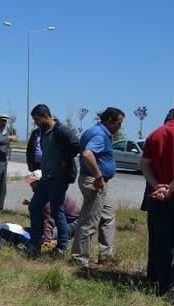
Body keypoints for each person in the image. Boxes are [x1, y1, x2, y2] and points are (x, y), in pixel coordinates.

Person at [142, 95, 174, 299]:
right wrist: (171, 188)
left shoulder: (155, 134)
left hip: (158, 198)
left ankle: (160, 285)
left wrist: (157, 186)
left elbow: (144, 164)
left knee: (162, 244)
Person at [71, 107, 124, 267]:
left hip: (98, 182)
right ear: (109, 120)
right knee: (89, 220)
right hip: (94, 181)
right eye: (119, 123)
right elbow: (87, 154)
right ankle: (80, 258)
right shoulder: (100, 134)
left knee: (108, 217)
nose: (120, 127)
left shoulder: (94, 131)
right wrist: (98, 176)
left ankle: (106, 256)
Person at [25, 104, 80, 258]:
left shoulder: (60, 130)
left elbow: (76, 145)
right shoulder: (43, 132)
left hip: (58, 180)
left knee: (57, 212)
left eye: (37, 119)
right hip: (45, 179)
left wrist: (65, 159)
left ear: (45, 116)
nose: (35, 122)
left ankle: (62, 246)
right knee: (34, 207)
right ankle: (35, 242)